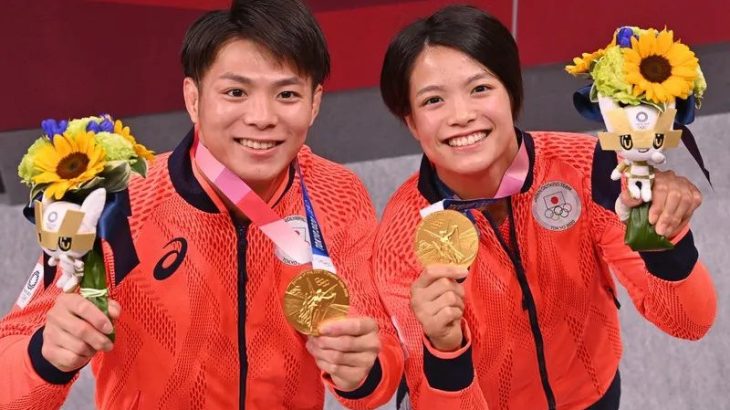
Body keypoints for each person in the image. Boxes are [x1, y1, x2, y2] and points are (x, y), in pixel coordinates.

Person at [0, 1, 403, 408]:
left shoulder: (337, 192)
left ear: (314, 103)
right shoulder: (114, 202)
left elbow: (377, 356)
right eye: (235, 92)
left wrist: (363, 371)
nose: (262, 117)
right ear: (193, 99)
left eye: (286, 94)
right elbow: (9, 379)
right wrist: (45, 355)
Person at [373, 5, 716, 409]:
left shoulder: (590, 169)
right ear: (411, 122)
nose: (461, 115)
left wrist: (665, 234)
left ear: (512, 93)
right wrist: (444, 350)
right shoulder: (400, 236)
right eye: (433, 100)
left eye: (480, 88)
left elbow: (688, 321)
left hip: (592, 391)